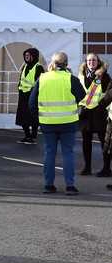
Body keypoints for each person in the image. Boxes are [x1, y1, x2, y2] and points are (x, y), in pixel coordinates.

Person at [28, 52, 84, 195]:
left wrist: (39, 118)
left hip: (47, 123)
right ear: (66, 64)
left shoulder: (43, 79)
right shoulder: (71, 79)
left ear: (52, 63)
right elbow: (83, 100)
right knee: (68, 154)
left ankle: (48, 185)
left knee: (49, 153)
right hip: (68, 123)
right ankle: (70, 186)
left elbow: (31, 103)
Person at [77, 53, 111, 176]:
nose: (91, 62)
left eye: (94, 60)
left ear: (98, 62)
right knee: (86, 141)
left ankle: (107, 168)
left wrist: (101, 105)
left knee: (104, 142)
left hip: (100, 113)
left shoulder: (104, 76)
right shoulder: (81, 76)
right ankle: (87, 167)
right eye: (89, 60)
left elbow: (109, 95)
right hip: (85, 113)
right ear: (86, 62)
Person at [16, 48, 44, 145]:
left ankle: (33, 135)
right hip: (23, 95)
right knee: (22, 116)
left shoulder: (38, 67)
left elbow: (40, 83)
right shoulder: (24, 66)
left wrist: (34, 93)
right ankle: (27, 135)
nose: (26, 57)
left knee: (32, 116)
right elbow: (21, 79)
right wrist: (19, 88)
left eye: (28, 55)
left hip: (32, 95)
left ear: (34, 56)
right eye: (25, 56)